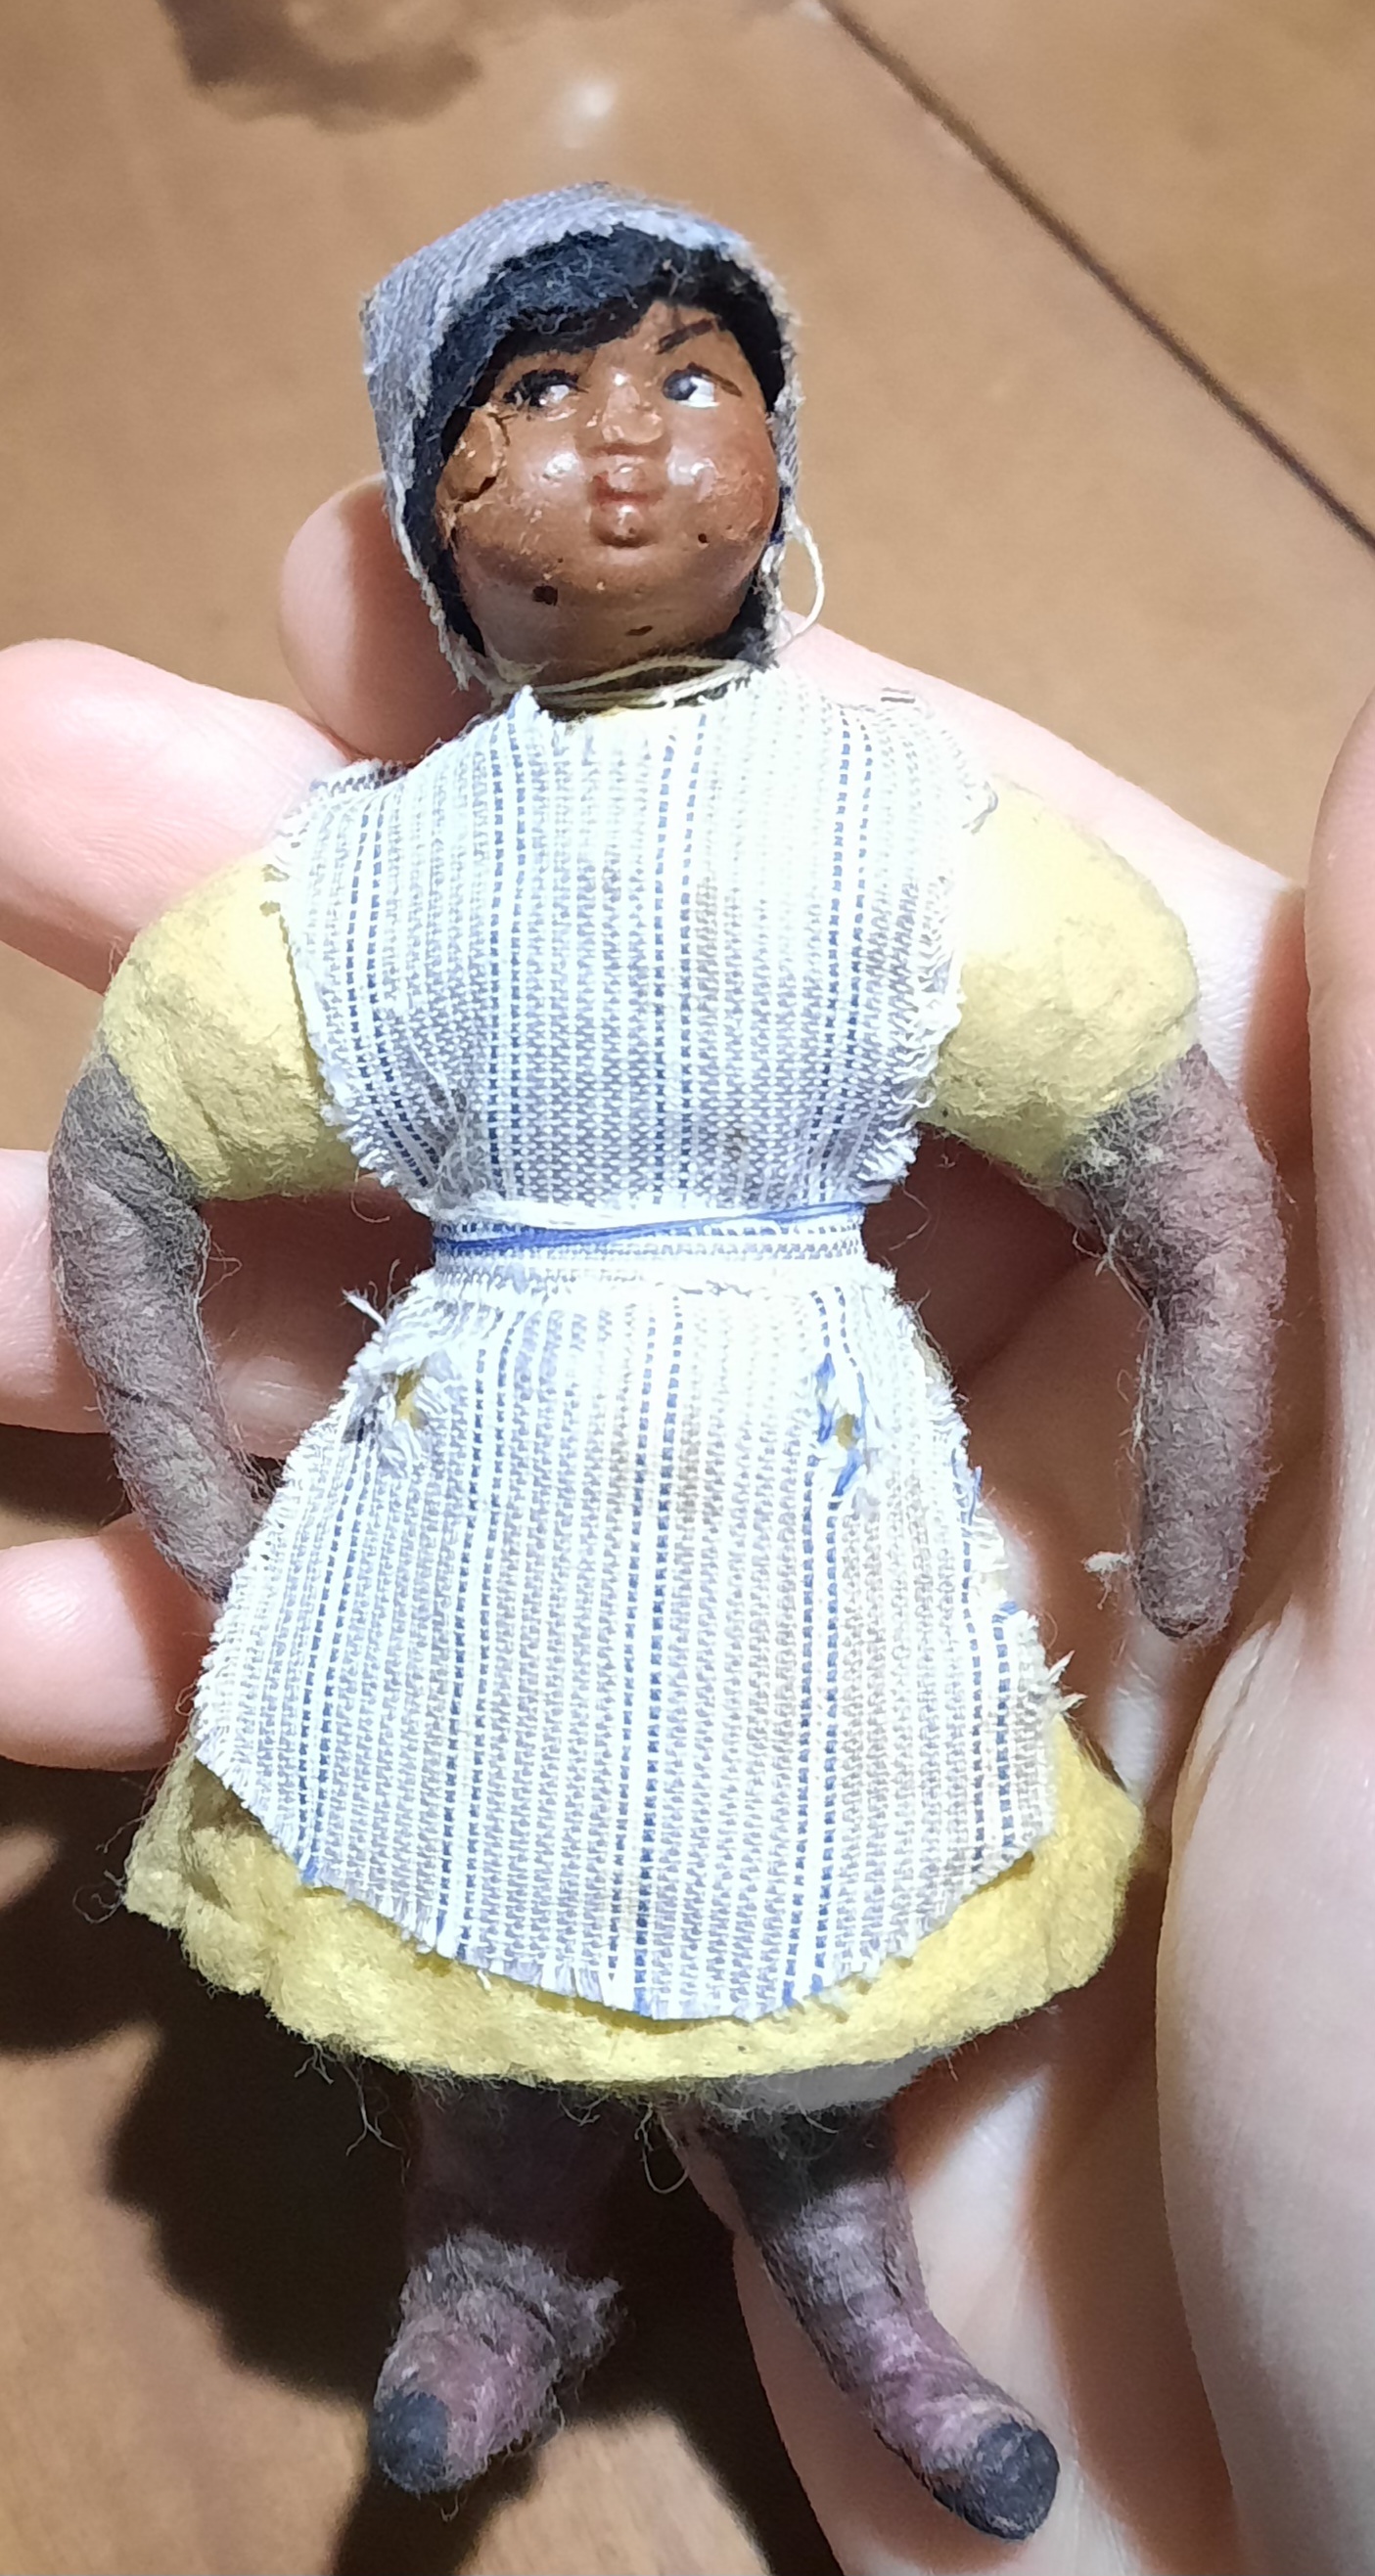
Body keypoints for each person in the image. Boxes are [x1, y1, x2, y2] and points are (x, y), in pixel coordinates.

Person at [0, 232, 1368, 2573]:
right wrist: (200, 1513)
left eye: (692, 375)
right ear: (434, 502)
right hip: (469, 1505)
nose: (624, 439)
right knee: (469, 1902)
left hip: (813, 1500)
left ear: (779, 461)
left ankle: (853, 2262)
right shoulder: (382, 872)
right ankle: (493, 2257)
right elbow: (126, 1164)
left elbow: (1185, 1180)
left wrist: (1207, 1500)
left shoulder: (892, 828)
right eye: (536, 394)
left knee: (826, 1906)